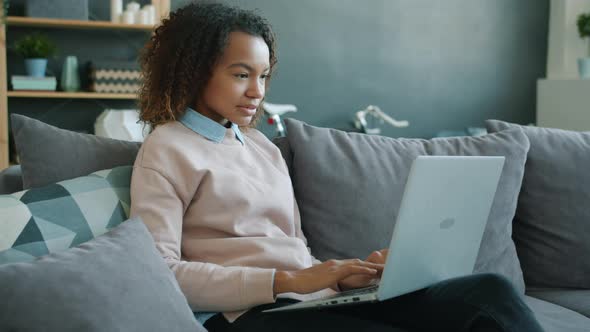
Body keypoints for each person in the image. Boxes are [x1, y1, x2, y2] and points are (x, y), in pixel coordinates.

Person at [130, 2, 545, 331]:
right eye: (242, 75)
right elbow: (161, 272)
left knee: (488, 293)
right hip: (248, 315)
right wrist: (287, 282)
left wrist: (345, 277)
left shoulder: (261, 148)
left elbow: (295, 252)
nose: (257, 92)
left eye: (264, 76)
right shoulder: (167, 147)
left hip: (307, 302)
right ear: (194, 70)